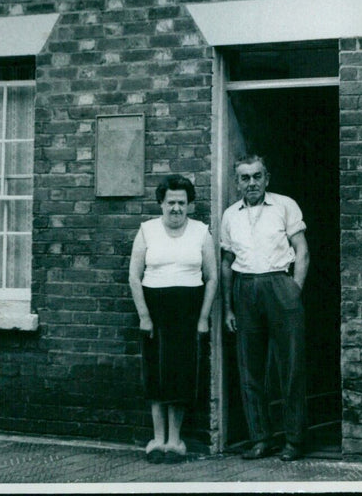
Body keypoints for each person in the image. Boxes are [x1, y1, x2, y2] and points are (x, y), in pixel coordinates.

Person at [220, 154, 309, 462]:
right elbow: (227, 264)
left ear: (266, 178)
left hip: (279, 285)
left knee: (291, 366)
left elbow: (302, 251)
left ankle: (294, 440)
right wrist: (229, 307)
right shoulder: (230, 215)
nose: (252, 183)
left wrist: (293, 290)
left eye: (257, 176)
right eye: (245, 178)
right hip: (245, 289)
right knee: (250, 369)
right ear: (237, 183)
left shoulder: (285, 205)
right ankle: (261, 438)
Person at [129, 174, 218, 463]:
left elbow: (212, 277)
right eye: (171, 202)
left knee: (180, 371)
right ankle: (157, 439)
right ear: (161, 204)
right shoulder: (147, 230)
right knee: (156, 371)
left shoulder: (201, 232)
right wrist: (144, 314)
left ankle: (175, 440)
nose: (176, 208)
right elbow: (133, 276)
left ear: (189, 205)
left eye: (182, 202)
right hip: (155, 309)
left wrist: (203, 317)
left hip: (187, 310)